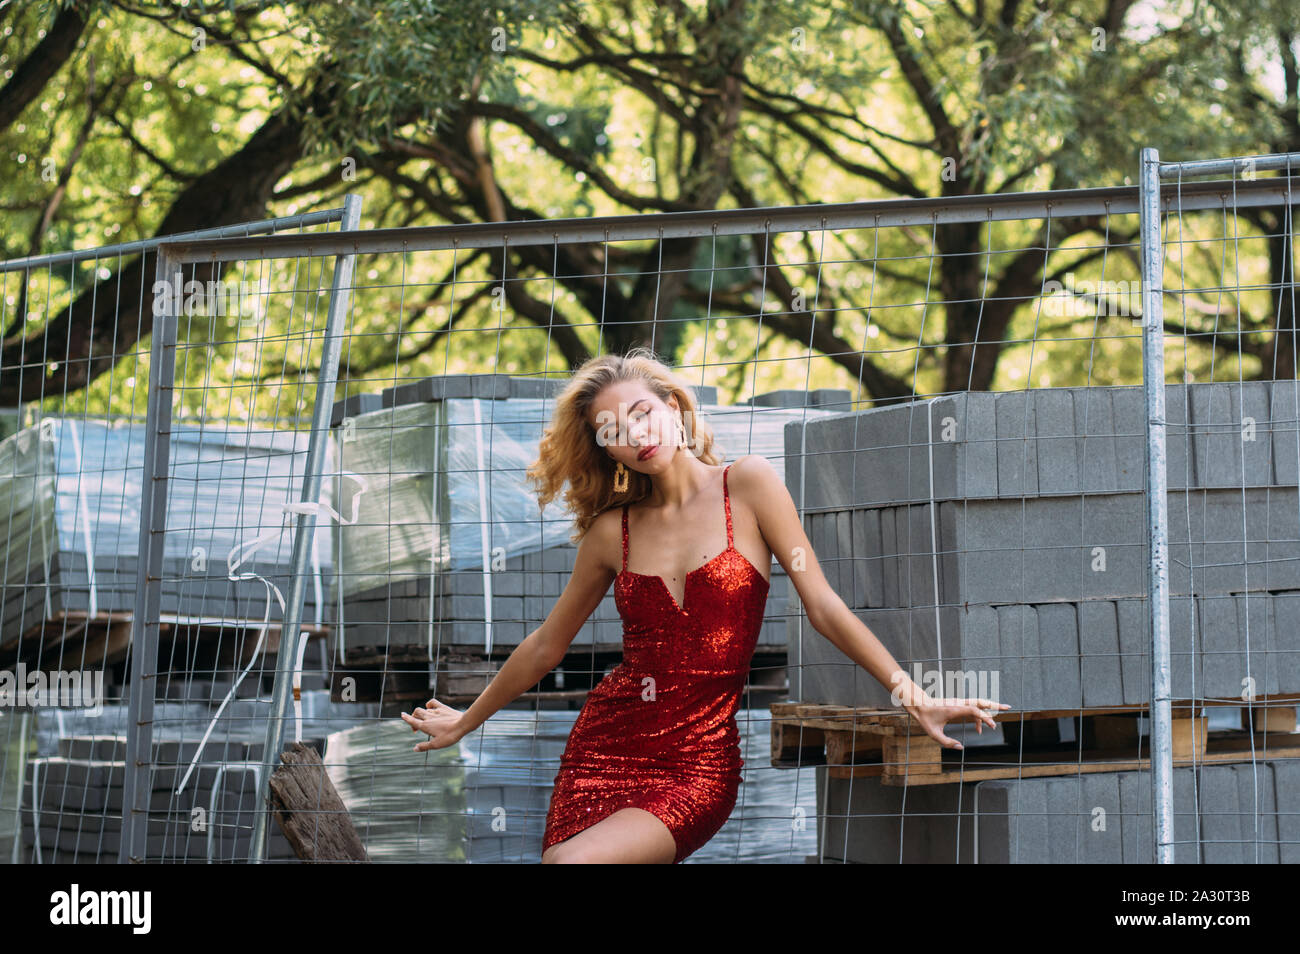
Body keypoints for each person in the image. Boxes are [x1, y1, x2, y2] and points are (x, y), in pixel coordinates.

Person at [400, 347, 1008, 863]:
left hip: (698, 761)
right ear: (605, 451)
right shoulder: (612, 533)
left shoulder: (748, 486)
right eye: (612, 431)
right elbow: (544, 646)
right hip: (606, 744)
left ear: (673, 407)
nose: (635, 434)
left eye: (642, 413)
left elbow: (822, 606)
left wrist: (915, 696)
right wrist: (464, 721)